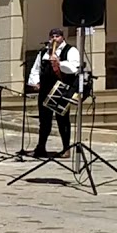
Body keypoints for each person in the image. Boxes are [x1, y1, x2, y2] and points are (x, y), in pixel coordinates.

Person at [28, 27, 81, 159]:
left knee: (62, 120)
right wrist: (35, 82)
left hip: (61, 89)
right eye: (52, 36)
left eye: (57, 36)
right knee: (44, 121)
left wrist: (59, 63)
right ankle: (41, 147)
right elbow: (36, 69)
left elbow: (74, 68)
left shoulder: (70, 50)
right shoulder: (43, 53)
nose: (54, 39)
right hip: (45, 90)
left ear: (62, 37)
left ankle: (66, 148)